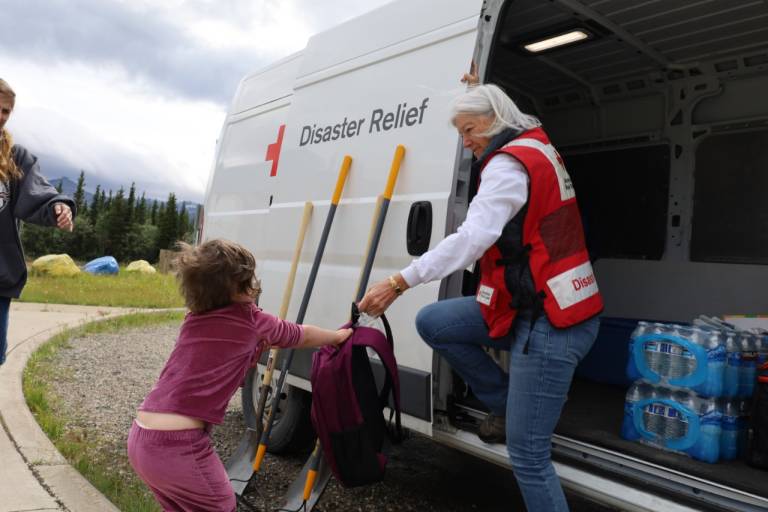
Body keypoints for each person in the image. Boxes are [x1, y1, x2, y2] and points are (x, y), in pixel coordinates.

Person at [358, 80, 603, 511]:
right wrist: (473, 87)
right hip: (538, 305)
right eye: (461, 133)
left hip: (551, 322)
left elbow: (472, 238)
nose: (466, 142)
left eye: (469, 130)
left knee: (527, 455)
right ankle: (509, 403)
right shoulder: (537, 146)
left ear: (496, 120)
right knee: (434, 322)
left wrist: (400, 281)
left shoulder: (507, 166)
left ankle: (520, 413)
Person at [127, 239, 352, 512]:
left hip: (141, 437)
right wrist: (337, 336)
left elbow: (222, 347)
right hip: (179, 445)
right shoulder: (251, 320)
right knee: (223, 505)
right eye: (250, 279)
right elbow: (300, 334)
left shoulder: (194, 319)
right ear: (238, 286)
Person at [0, 78, 75, 366]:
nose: (1, 116)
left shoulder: (15, 157)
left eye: (7, 111)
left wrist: (58, 206)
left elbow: (37, 191)